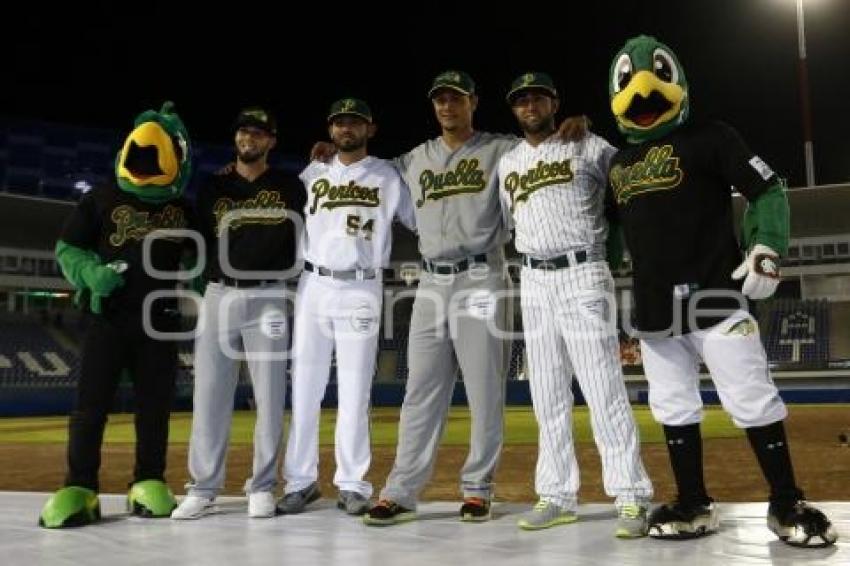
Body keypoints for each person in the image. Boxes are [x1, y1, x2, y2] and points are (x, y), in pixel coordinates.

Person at [606, 35, 837, 547]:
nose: (643, 96)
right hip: (654, 310)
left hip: (717, 295)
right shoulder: (617, 165)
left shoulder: (712, 136)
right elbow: (607, 232)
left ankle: (785, 501)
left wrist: (765, 247)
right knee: (672, 405)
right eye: (630, 88)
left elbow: (767, 189)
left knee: (753, 399)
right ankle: (693, 501)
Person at [354, 70, 588, 525]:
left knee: (483, 389)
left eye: (456, 99)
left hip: (482, 276)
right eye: (440, 99)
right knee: (419, 390)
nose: (447, 107)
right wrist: (332, 156)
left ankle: (478, 488)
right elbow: (366, 171)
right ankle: (401, 491)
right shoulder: (415, 158)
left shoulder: (501, 149)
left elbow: (542, 144)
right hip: (429, 283)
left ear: (473, 103)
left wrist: (572, 125)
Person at [497, 72, 653, 537]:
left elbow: (632, 176)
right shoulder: (508, 164)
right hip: (532, 277)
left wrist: (591, 122)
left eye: (538, 97)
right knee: (546, 394)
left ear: (554, 102)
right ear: (514, 109)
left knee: (603, 387)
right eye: (521, 99)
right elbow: (511, 222)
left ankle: (630, 495)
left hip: (583, 270)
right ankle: (557, 495)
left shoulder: (588, 144)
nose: (529, 105)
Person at [40, 102, 193, 527]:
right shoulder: (100, 197)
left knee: (155, 409)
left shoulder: (183, 207)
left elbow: (206, 259)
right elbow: (68, 248)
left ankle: (148, 480)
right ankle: (80, 486)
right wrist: (90, 273)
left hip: (160, 322)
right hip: (107, 318)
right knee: (89, 408)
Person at [278, 98, 416, 516]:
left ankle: (353, 483)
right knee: (304, 386)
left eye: (354, 122)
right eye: (339, 122)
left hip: (361, 285)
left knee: (355, 389)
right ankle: (300, 482)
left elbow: (418, 219)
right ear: (330, 129)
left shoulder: (388, 175)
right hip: (313, 284)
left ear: (370, 129)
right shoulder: (312, 172)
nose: (346, 128)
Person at [171, 107, 307, 520]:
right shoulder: (213, 186)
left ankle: (262, 485)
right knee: (209, 395)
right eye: (243, 131)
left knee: (269, 396)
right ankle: (204, 486)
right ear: (236, 139)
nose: (249, 137)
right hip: (219, 294)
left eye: (258, 132)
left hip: (268, 296)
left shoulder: (291, 185)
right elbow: (199, 240)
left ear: (271, 140)